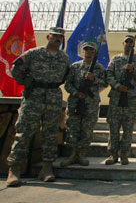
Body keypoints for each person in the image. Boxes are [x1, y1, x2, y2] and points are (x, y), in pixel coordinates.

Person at [6, 27, 70, 187]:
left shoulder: (64, 58)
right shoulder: (33, 53)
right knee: (24, 132)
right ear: (48, 36)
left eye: (60, 38)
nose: (57, 39)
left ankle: (47, 168)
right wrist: (27, 83)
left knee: (50, 134)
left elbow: (65, 76)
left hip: (53, 96)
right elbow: (16, 70)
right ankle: (14, 170)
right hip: (34, 96)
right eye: (55, 36)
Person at [60, 41, 107, 168]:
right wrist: (76, 93)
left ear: (95, 52)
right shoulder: (75, 67)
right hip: (76, 102)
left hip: (90, 103)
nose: (88, 52)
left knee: (87, 129)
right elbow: (68, 84)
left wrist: (94, 79)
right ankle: (72, 155)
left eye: (91, 50)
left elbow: (105, 83)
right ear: (82, 51)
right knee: (73, 128)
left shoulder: (99, 68)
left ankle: (81, 154)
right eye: (86, 50)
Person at [105, 35, 136, 166]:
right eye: (126, 42)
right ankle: (113, 154)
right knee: (114, 127)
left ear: (134, 45)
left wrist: (133, 69)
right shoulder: (115, 59)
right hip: (116, 97)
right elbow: (108, 75)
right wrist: (117, 86)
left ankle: (124, 154)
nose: (128, 44)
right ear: (123, 44)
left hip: (131, 98)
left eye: (131, 42)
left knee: (128, 128)